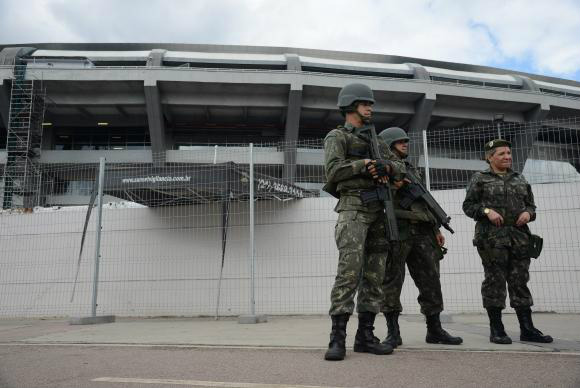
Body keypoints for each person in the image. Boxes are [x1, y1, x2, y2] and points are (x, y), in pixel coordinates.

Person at [323, 83, 403, 361]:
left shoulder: (377, 140)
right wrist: (363, 164)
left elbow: (401, 166)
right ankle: (337, 338)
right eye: (365, 104)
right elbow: (333, 171)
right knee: (349, 272)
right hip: (353, 209)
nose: (370, 108)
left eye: (370, 104)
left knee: (375, 276)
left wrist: (388, 166)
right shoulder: (337, 136)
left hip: (379, 211)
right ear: (350, 106)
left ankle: (366, 336)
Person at [378, 127, 463, 347]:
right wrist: (394, 186)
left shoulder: (412, 169)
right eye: (399, 142)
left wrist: (436, 229)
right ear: (388, 146)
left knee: (431, 281)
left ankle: (434, 330)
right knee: (392, 282)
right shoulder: (382, 168)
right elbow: (377, 198)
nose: (405, 144)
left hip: (423, 231)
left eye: (406, 141)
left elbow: (424, 202)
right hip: (397, 229)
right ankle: (393, 332)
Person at [462, 139, 552, 344]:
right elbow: (468, 206)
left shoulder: (520, 179)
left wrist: (528, 214)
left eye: (509, 153)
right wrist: (486, 211)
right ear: (490, 157)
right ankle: (497, 329)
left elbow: (532, 206)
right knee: (495, 283)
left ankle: (527, 329)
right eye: (501, 154)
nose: (507, 157)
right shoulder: (480, 179)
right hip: (492, 241)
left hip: (519, 240)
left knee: (520, 282)